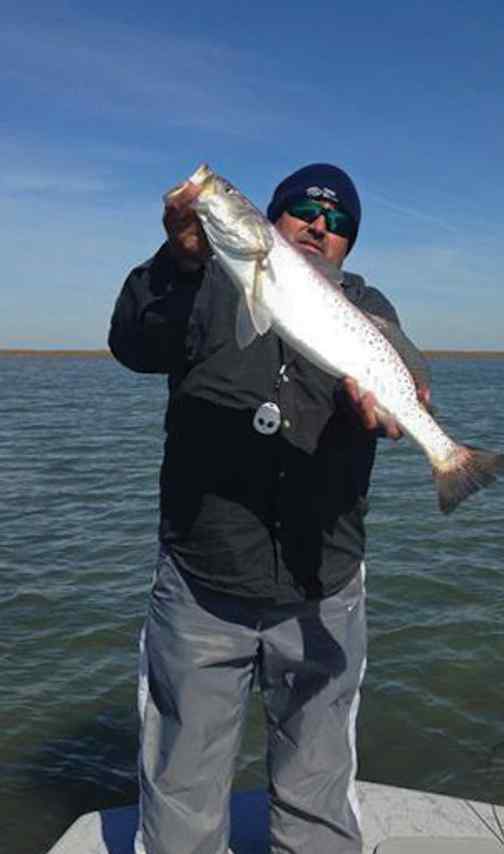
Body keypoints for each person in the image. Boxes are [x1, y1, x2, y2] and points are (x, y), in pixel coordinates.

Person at [109, 163, 428, 854]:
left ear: (349, 244)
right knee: (180, 797)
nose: (320, 225)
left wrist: (408, 393)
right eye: (305, 211)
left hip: (324, 586)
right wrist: (179, 260)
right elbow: (132, 342)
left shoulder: (366, 306)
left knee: (317, 800)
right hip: (203, 581)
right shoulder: (202, 285)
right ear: (271, 219)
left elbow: (396, 352)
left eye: (339, 222)